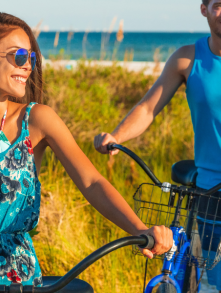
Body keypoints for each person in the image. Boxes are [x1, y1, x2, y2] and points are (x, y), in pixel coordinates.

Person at [94, 0, 221, 292]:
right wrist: (116, 136)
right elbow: (148, 108)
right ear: (204, 9)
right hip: (213, 192)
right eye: (219, 6)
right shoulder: (187, 59)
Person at [0, 13, 173, 287]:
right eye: (18, 55)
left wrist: (139, 228)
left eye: (31, 58)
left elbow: (91, 181)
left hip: (14, 276)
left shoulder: (36, 119)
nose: (27, 66)